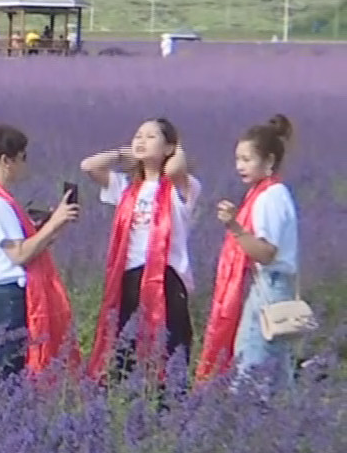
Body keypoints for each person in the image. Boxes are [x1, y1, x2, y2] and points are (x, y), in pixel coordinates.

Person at [81, 119, 201, 380]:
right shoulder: (126, 187)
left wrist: (174, 148)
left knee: (169, 349)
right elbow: (89, 166)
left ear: (169, 147)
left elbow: (174, 169)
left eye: (151, 137)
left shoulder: (181, 187)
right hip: (132, 276)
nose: (142, 141)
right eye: (138, 135)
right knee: (124, 348)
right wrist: (125, 153)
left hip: (167, 278)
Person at [199, 115, 300, 389]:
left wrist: (235, 227)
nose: (239, 166)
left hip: (270, 289)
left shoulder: (269, 198)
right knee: (277, 373)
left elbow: (266, 252)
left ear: (268, 162)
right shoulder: (272, 194)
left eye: (247, 159)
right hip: (276, 287)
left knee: (250, 369)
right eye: (238, 159)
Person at [0, 124, 78, 377]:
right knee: (8, 372)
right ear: (7, 160)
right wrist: (53, 224)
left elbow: (27, 246)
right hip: (7, 298)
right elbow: (19, 255)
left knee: (12, 369)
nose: (25, 164)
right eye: (22, 157)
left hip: (4, 297)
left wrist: (53, 225)